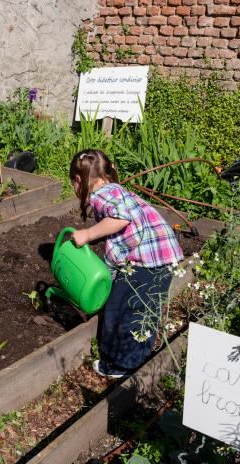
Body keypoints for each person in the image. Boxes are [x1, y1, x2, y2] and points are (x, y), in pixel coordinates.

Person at [69, 149, 183, 378]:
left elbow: (121, 218)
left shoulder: (99, 195)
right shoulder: (117, 190)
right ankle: (139, 358)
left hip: (146, 261)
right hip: (164, 254)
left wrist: (88, 235)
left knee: (120, 308)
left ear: (78, 180)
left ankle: (119, 367)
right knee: (145, 311)